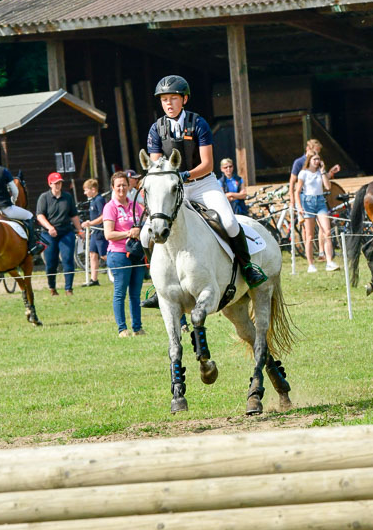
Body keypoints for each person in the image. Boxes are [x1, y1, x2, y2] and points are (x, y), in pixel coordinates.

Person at [140, 74, 267, 309]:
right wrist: (168, 179)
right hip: (172, 189)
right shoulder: (156, 129)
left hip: (202, 184)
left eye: (173, 99)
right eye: (164, 99)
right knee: (145, 235)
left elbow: (207, 164)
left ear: (184, 99)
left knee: (229, 222)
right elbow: (156, 164)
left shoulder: (198, 123)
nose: (168, 103)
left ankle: (248, 268)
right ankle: (158, 286)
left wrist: (185, 175)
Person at [0, 140, 43, 255]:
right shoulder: (3, 171)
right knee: (29, 216)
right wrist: (13, 200)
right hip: (5, 209)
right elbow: (15, 190)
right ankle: (32, 246)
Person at [103, 171, 146, 337]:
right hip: (119, 254)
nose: (122, 188)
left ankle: (137, 327)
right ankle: (122, 328)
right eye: (118, 185)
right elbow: (108, 234)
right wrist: (129, 233)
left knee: (135, 293)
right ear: (113, 187)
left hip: (136, 253)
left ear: (129, 186)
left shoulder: (135, 205)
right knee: (120, 292)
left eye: (124, 185)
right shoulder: (110, 207)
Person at [289, 139, 340, 260]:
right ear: (308, 149)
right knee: (307, 230)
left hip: (319, 198)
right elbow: (292, 183)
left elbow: (324, 182)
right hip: (304, 197)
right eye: (315, 151)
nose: (318, 157)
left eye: (318, 152)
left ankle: (322, 252)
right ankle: (309, 256)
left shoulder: (318, 165)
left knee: (324, 227)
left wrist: (330, 172)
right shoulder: (299, 163)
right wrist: (293, 201)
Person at [36, 172, 84, 296]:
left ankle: (69, 288)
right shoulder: (44, 197)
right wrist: (49, 227)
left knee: (68, 259)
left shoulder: (67, 197)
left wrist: (79, 230)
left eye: (60, 183)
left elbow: (73, 215)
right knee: (51, 262)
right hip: (49, 234)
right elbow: (40, 215)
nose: (58, 185)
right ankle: (52, 287)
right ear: (50, 184)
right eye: (55, 183)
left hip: (66, 232)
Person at [80, 178, 106, 286]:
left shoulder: (99, 200)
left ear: (93, 189)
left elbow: (103, 216)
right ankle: (94, 279)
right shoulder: (93, 200)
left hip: (99, 232)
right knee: (92, 254)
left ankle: (118, 270)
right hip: (94, 232)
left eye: (86, 190)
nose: (85, 193)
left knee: (104, 255)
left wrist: (90, 223)